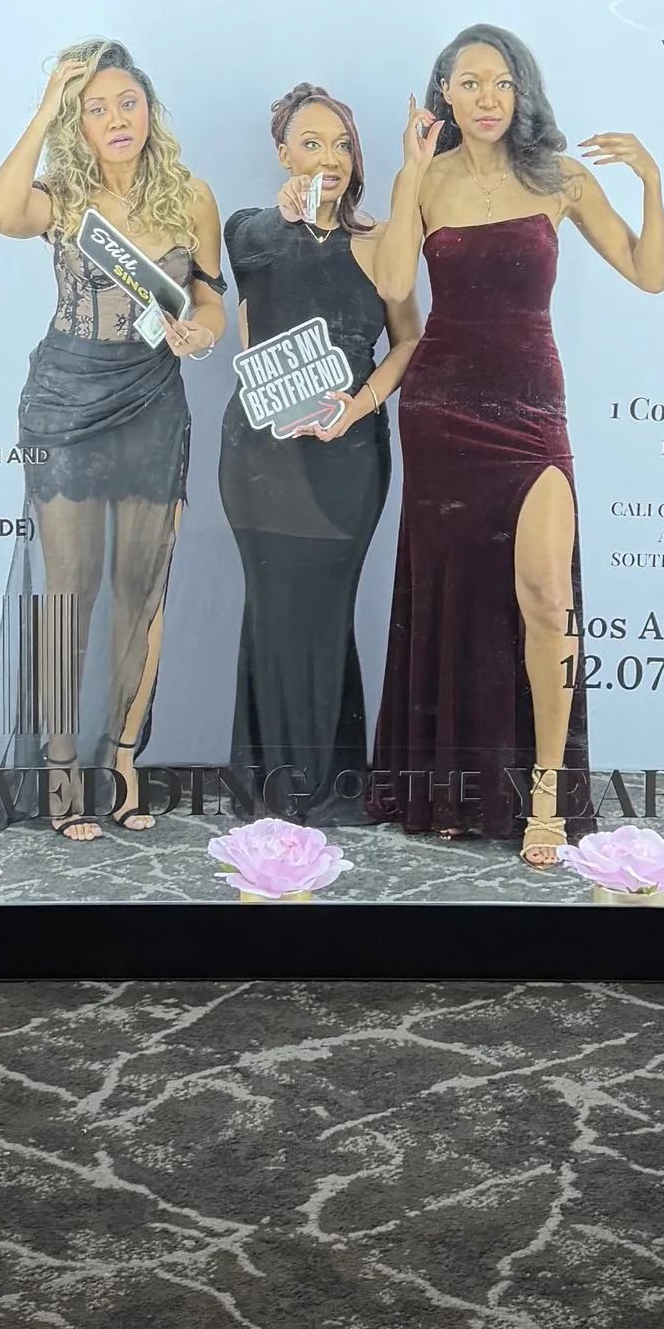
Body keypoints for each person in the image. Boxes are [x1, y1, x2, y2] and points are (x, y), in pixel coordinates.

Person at [370, 25, 664, 865]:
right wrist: (409, 174)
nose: (488, 97)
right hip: (440, 407)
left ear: (520, 90)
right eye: (470, 83)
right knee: (456, 598)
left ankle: (544, 792)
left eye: (501, 82)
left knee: (545, 596)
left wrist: (650, 181)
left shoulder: (560, 178)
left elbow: (648, 272)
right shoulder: (426, 180)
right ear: (446, 95)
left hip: (532, 410)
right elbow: (395, 284)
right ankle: (452, 788)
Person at [0, 41, 225, 838]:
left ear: (149, 110)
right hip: (67, 402)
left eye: (128, 102)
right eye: (96, 107)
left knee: (141, 592)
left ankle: (123, 758)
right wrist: (47, 101)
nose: (117, 118)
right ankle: (59, 771)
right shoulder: (61, 197)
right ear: (77, 123)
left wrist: (202, 334)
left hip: (155, 401)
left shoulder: (192, 197)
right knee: (68, 594)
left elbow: (213, 305)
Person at [218, 86, 421, 815]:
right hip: (260, 458)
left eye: (340, 142)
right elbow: (252, 330)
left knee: (326, 612)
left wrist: (358, 405)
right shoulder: (246, 231)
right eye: (311, 141)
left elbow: (408, 341)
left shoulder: (379, 242)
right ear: (283, 153)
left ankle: (329, 791)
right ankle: (267, 790)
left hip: (347, 455)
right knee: (269, 608)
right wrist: (289, 225)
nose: (328, 156)